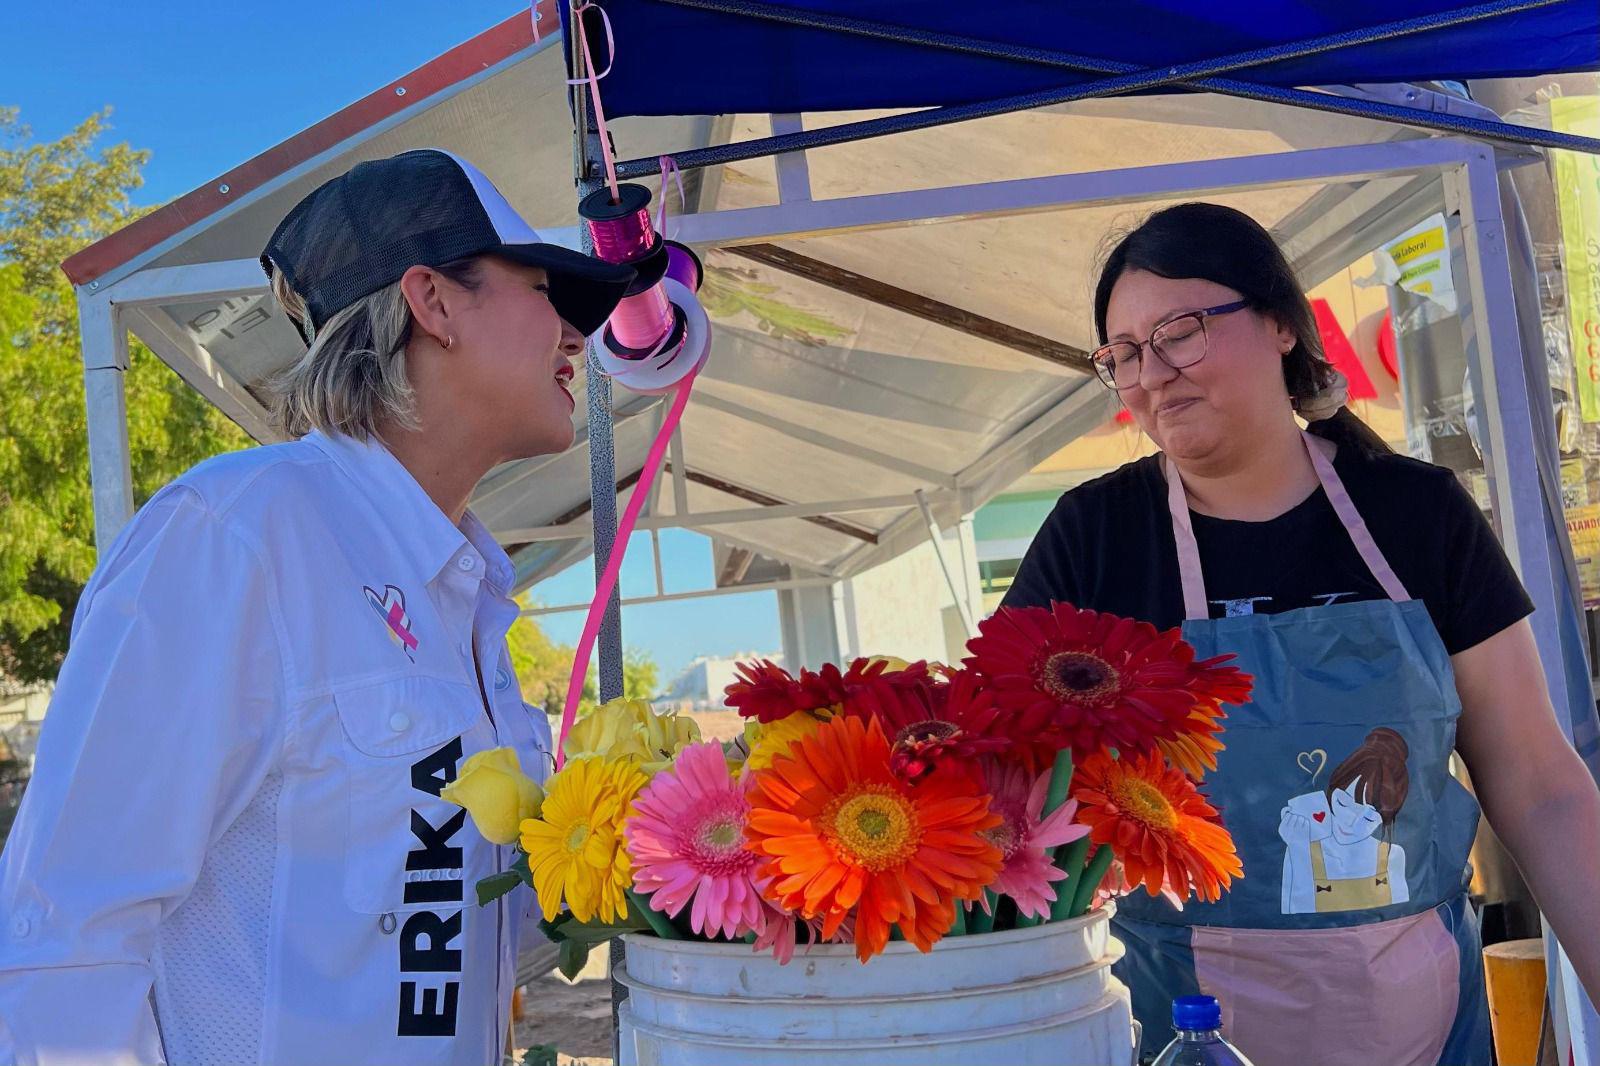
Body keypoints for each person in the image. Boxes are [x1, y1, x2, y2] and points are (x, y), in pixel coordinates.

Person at [0, 149, 635, 1065]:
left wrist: (678, 846)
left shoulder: (469, 593)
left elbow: (458, 924)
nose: (577, 336)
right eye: (545, 290)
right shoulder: (238, 535)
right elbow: (62, 938)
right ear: (434, 302)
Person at [1005, 202, 1600, 1064]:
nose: (1153, 374)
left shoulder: (1417, 514)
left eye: (1180, 332)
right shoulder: (1094, 539)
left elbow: (1540, 785)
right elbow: (1005, 783)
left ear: (1283, 322)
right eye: (1125, 354)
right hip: (1177, 1026)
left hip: (1420, 1028)